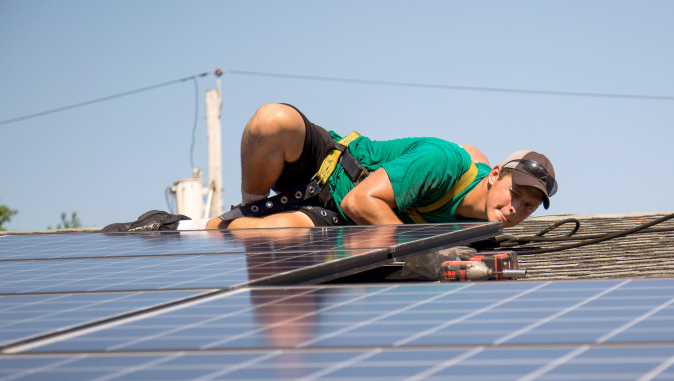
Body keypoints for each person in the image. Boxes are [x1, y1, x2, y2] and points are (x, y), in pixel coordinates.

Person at [104, 103, 556, 232]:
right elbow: (363, 199)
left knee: (286, 234)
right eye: (517, 191)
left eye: (532, 204)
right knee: (272, 123)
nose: (519, 206)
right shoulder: (444, 163)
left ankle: (190, 229)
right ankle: (250, 204)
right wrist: (422, 253)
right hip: (331, 167)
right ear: (496, 174)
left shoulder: (479, 229)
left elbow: (352, 211)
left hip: (334, 217)